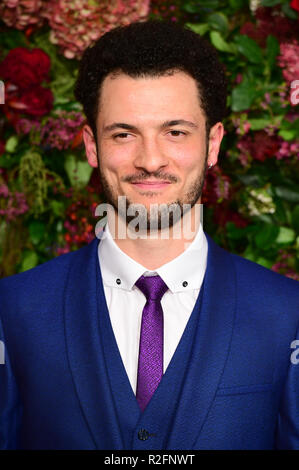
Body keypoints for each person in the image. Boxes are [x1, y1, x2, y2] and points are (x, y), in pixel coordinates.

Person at [0, 19, 299, 451]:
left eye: (175, 132)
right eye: (124, 134)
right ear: (91, 145)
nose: (150, 160)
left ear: (213, 143)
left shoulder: (287, 314)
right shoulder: (13, 310)